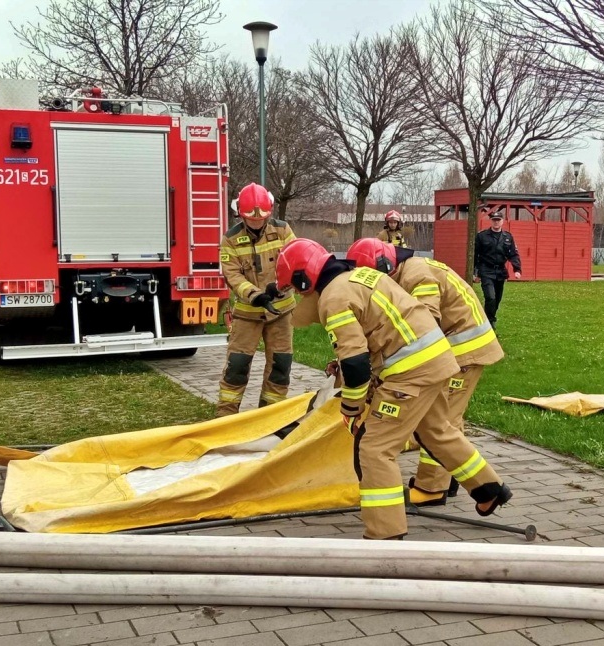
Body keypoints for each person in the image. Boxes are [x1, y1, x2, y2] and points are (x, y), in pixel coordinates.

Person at [276, 238, 512, 540]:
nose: (297, 295)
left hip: (410, 375)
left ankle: (385, 534)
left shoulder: (333, 299)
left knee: (374, 449)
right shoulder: (362, 277)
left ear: (303, 277)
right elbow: (381, 333)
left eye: (295, 288)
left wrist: (351, 407)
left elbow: (357, 364)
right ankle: (490, 489)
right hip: (438, 361)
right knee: (436, 430)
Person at [346, 238, 503, 507]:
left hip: (462, 352)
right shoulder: (404, 273)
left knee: (439, 422)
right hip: (452, 351)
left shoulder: (417, 274)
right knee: (445, 420)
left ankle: (433, 488)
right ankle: (458, 476)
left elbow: (425, 321)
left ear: (385, 268)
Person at [216, 183, 297, 417]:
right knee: (237, 366)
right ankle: (226, 417)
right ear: (240, 214)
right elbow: (232, 274)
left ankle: (270, 416)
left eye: (261, 219)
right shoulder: (230, 239)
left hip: (281, 313)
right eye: (251, 219)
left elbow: (295, 261)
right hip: (247, 314)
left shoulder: (283, 230)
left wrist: (279, 286)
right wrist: (256, 295)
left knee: (281, 365)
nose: (256, 222)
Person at [472, 213, 521, 327]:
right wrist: (475, 273)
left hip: (500, 272)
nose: (496, 222)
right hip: (486, 270)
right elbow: (475, 255)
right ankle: (490, 323)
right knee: (490, 297)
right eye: (494, 220)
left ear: (502, 221)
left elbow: (513, 254)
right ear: (490, 221)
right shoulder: (482, 236)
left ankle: (487, 319)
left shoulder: (508, 237)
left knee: (497, 300)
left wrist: (517, 269)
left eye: (498, 220)